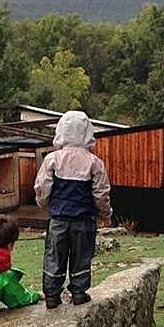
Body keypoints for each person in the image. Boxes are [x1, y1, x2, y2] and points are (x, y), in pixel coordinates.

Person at [33, 110, 112, 308]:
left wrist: (44, 204)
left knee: (54, 255)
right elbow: (101, 193)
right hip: (84, 220)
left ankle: (52, 295)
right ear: (88, 132)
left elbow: (42, 188)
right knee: (82, 255)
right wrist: (105, 214)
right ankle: (79, 292)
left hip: (58, 218)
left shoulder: (52, 159)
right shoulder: (94, 162)